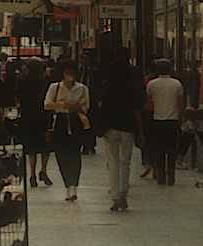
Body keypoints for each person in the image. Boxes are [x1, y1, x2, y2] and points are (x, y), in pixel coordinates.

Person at [97, 57, 144, 210]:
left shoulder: (106, 84)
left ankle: (116, 197)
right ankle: (124, 192)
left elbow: (101, 104)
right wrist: (140, 131)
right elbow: (137, 110)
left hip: (110, 127)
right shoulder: (131, 87)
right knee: (125, 162)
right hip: (128, 128)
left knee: (113, 162)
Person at [44, 58, 90, 201]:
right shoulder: (55, 87)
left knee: (75, 154)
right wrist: (61, 104)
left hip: (75, 122)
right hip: (60, 122)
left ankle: (74, 186)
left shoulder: (82, 88)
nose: (69, 75)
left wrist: (77, 107)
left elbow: (86, 108)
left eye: (72, 72)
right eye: (67, 72)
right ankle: (67, 186)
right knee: (61, 154)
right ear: (62, 74)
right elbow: (46, 105)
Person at [146, 58, 184, 186]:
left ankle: (161, 177)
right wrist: (180, 118)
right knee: (172, 149)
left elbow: (148, 102)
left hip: (158, 120)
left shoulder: (152, 84)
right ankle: (171, 176)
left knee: (159, 150)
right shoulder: (177, 84)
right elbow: (181, 104)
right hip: (173, 121)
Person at [17, 56, 53, 187]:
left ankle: (32, 173)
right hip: (43, 115)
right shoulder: (46, 82)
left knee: (31, 146)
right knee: (45, 145)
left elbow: (19, 98)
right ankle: (43, 170)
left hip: (28, 116)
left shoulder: (22, 82)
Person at [77, 49, 104, 153]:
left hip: (91, 101)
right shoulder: (79, 73)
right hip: (80, 102)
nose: (85, 60)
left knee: (91, 123)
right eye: (83, 58)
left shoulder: (95, 73)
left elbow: (98, 86)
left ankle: (90, 144)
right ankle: (83, 143)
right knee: (81, 123)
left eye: (87, 58)